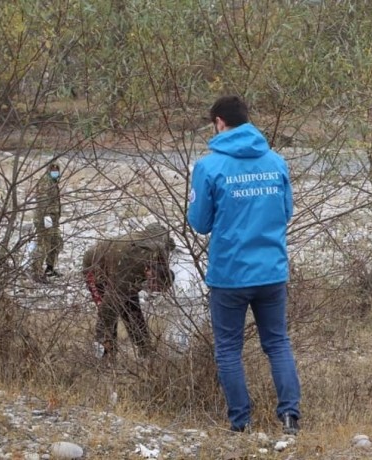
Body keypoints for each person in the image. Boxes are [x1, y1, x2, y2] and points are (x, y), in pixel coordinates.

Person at [187, 95, 301, 435]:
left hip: (230, 274)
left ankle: (241, 422)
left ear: (219, 122)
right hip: (271, 271)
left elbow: (200, 222)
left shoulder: (209, 167)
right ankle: (290, 417)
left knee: (228, 350)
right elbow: (286, 212)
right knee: (278, 343)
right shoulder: (276, 162)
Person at [82, 224, 175, 360]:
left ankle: (146, 351)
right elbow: (107, 310)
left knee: (133, 310)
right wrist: (100, 337)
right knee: (111, 308)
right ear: (148, 273)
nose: (150, 290)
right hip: (95, 264)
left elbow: (156, 228)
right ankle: (105, 355)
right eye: (152, 287)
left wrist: (170, 243)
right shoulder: (130, 269)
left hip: (120, 260)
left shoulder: (162, 250)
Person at [31, 163, 63, 282]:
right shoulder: (45, 181)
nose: (55, 171)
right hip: (45, 218)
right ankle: (36, 272)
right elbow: (42, 200)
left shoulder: (53, 181)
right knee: (43, 244)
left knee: (56, 242)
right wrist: (46, 217)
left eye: (57, 169)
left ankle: (50, 268)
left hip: (53, 219)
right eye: (53, 169)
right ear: (49, 170)